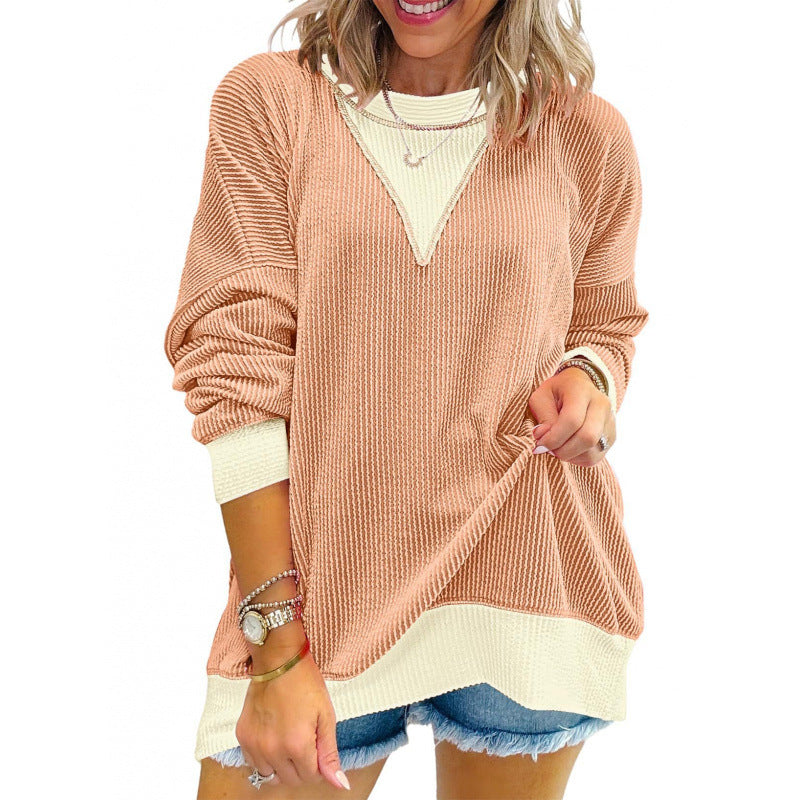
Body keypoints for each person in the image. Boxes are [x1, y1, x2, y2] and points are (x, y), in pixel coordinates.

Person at [163, 1, 650, 797]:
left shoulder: (586, 134)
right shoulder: (273, 103)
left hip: (524, 585)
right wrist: (277, 648)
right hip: (320, 611)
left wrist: (590, 379)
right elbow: (236, 370)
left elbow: (605, 318)